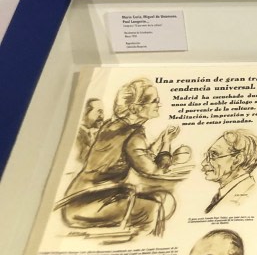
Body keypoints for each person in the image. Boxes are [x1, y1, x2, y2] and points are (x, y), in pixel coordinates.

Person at [60, 78, 190, 236]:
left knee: (154, 199)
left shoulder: (111, 126)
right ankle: (140, 243)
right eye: (154, 101)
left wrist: (161, 141)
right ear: (136, 108)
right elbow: (155, 171)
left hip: (74, 203)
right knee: (155, 206)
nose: (158, 104)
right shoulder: (133, 134)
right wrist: (166, 144)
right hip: (92, 205)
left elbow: (139, 154)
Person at [201, 129, 257, 213]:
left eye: (214, 154)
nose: (204, 163)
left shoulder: (247, 196)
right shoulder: (222, 195)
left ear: (238, 159)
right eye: (207, 156)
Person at [76, 98, 104, 163]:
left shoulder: (98, 134)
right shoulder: (77, 135)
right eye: (99, 111)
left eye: (102, 112)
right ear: (86, 112)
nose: (102, 116)